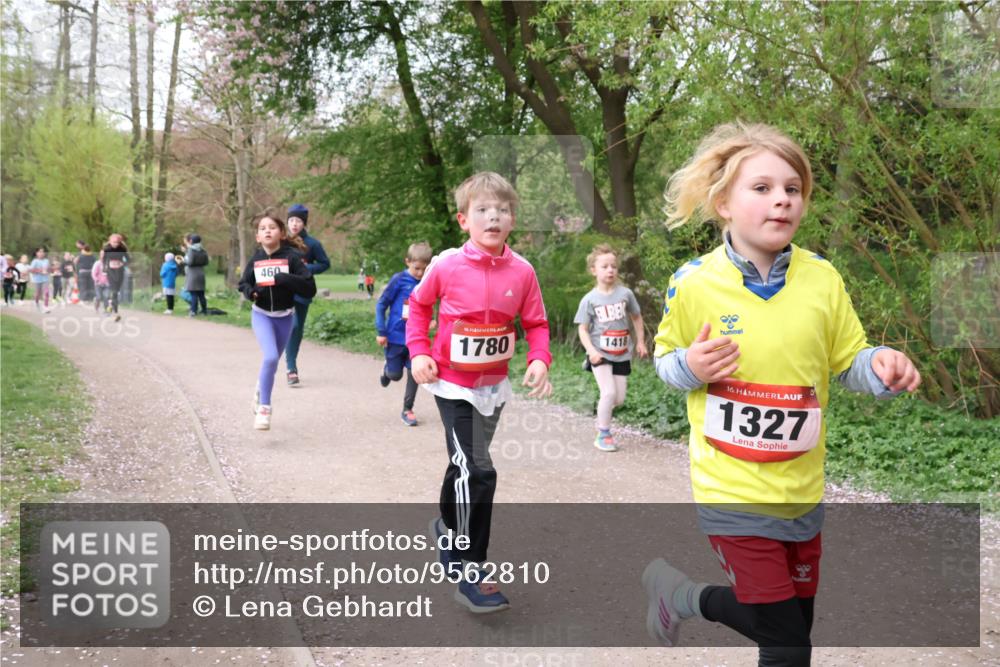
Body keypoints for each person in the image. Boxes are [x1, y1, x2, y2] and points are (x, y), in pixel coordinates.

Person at [643, 122, 921, 665]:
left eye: (793, 189)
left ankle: (680, 597)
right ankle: (682, 597)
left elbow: (849, 361)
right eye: (762, 187)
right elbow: (665, 362)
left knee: (792, 625)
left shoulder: (823, 278)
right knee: (788, 645)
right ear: (723, 203)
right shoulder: (694, 281)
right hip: (730, 490)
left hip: (801, 491)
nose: (782, 200)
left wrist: (881, 367)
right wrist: (691, 366)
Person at [407, 171, 552, 613]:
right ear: (463, 220)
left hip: (493, 387)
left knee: (464, 466)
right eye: (483, 210)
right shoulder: (447, 265)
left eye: (502, 210)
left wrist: (539, 358)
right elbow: (419, 306)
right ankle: (471, 568)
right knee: (478, 470)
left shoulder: (523, 271)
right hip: (451, 385)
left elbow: (536, 323)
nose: (493, 217)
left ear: (512, 220)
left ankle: (445, 526)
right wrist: (418, 351)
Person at [238, 209, 317, 430]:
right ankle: (264, 408)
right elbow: (243, 283)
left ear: (282, 233)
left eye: (272, 227)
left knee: (271, 364)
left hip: (285, 318)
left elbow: (309, 287)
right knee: (271, 357)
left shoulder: (291, 258)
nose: (267, 231)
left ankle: (260, 388)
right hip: (261, 315)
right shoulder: (256, 259)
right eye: (262, 229)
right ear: (258, 237)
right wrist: (251, 292)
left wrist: (285, 278)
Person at [574, 244, 648, 452]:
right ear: (594, 270)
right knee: (608, 393)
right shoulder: (589, 300)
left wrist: (640, 342)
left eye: (613, 266)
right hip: (600, 354)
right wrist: (592, 351)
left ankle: (603, 412)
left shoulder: (626, 294)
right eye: (604, 266)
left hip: (622, 353)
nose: (610, 270)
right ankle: (603, 434)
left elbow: (637, 317)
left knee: (618, 398)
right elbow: (583, 329)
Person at [376, 241, 433, 426]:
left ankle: (407, 409)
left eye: (424, 269)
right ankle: (387, 371)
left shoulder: (428, 281)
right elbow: (381, 304)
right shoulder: (399, 280)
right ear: (407, 261)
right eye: (417, 268)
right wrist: (381, 330)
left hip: (417, 337)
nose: (420, 273)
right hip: (395, 336)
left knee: (414, 373)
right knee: (395, 375)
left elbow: (431, 304)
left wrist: (431, 320)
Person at [284, 204, 331, 387]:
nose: (294, 224)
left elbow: (325, 263)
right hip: (284, 290)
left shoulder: (312, 244)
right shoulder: (282, 241)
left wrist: (306, 268)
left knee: (297, 329)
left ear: (304, 223)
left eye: (298, 221)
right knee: (293, 326)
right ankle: (291, 368)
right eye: (291, 220)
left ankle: (291, 362)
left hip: (303, 290)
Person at [101, 233, 130, 322]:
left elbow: (128, 259)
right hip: (111, 271)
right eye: (114, 242)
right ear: (110, 241)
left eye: (117, 242)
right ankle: (115, 312)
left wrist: (123, 263)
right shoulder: (106, 249)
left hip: (120, 271)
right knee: (114, 290)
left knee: (116, 291)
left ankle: (110, 305)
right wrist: (104, 269)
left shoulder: (122, 248)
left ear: (119, 242)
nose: (115, 244)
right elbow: (103, 260)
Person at [178, 234, 209, 317]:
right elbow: (206, 262)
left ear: (191, 241)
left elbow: (190, 262)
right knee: (201, 294)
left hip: (192, 274)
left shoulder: (191, 250)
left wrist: (183, 261)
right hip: (201, 273)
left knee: (193, 294)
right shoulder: (203, 250)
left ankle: (193, 311)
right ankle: (204, 311)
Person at [29, 247, 51, 312]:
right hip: (37, 280)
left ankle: (46, 306)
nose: (41, 253)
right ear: (37, 253)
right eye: (40, 252)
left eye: (43, 252)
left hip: (45, 279)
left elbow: (49, 269)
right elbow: (31, 270)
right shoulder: (35, 261)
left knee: (46, 293)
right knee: (37, 294)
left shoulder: (46, 261)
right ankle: (36, 302)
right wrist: (40, 271)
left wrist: (48, 270)